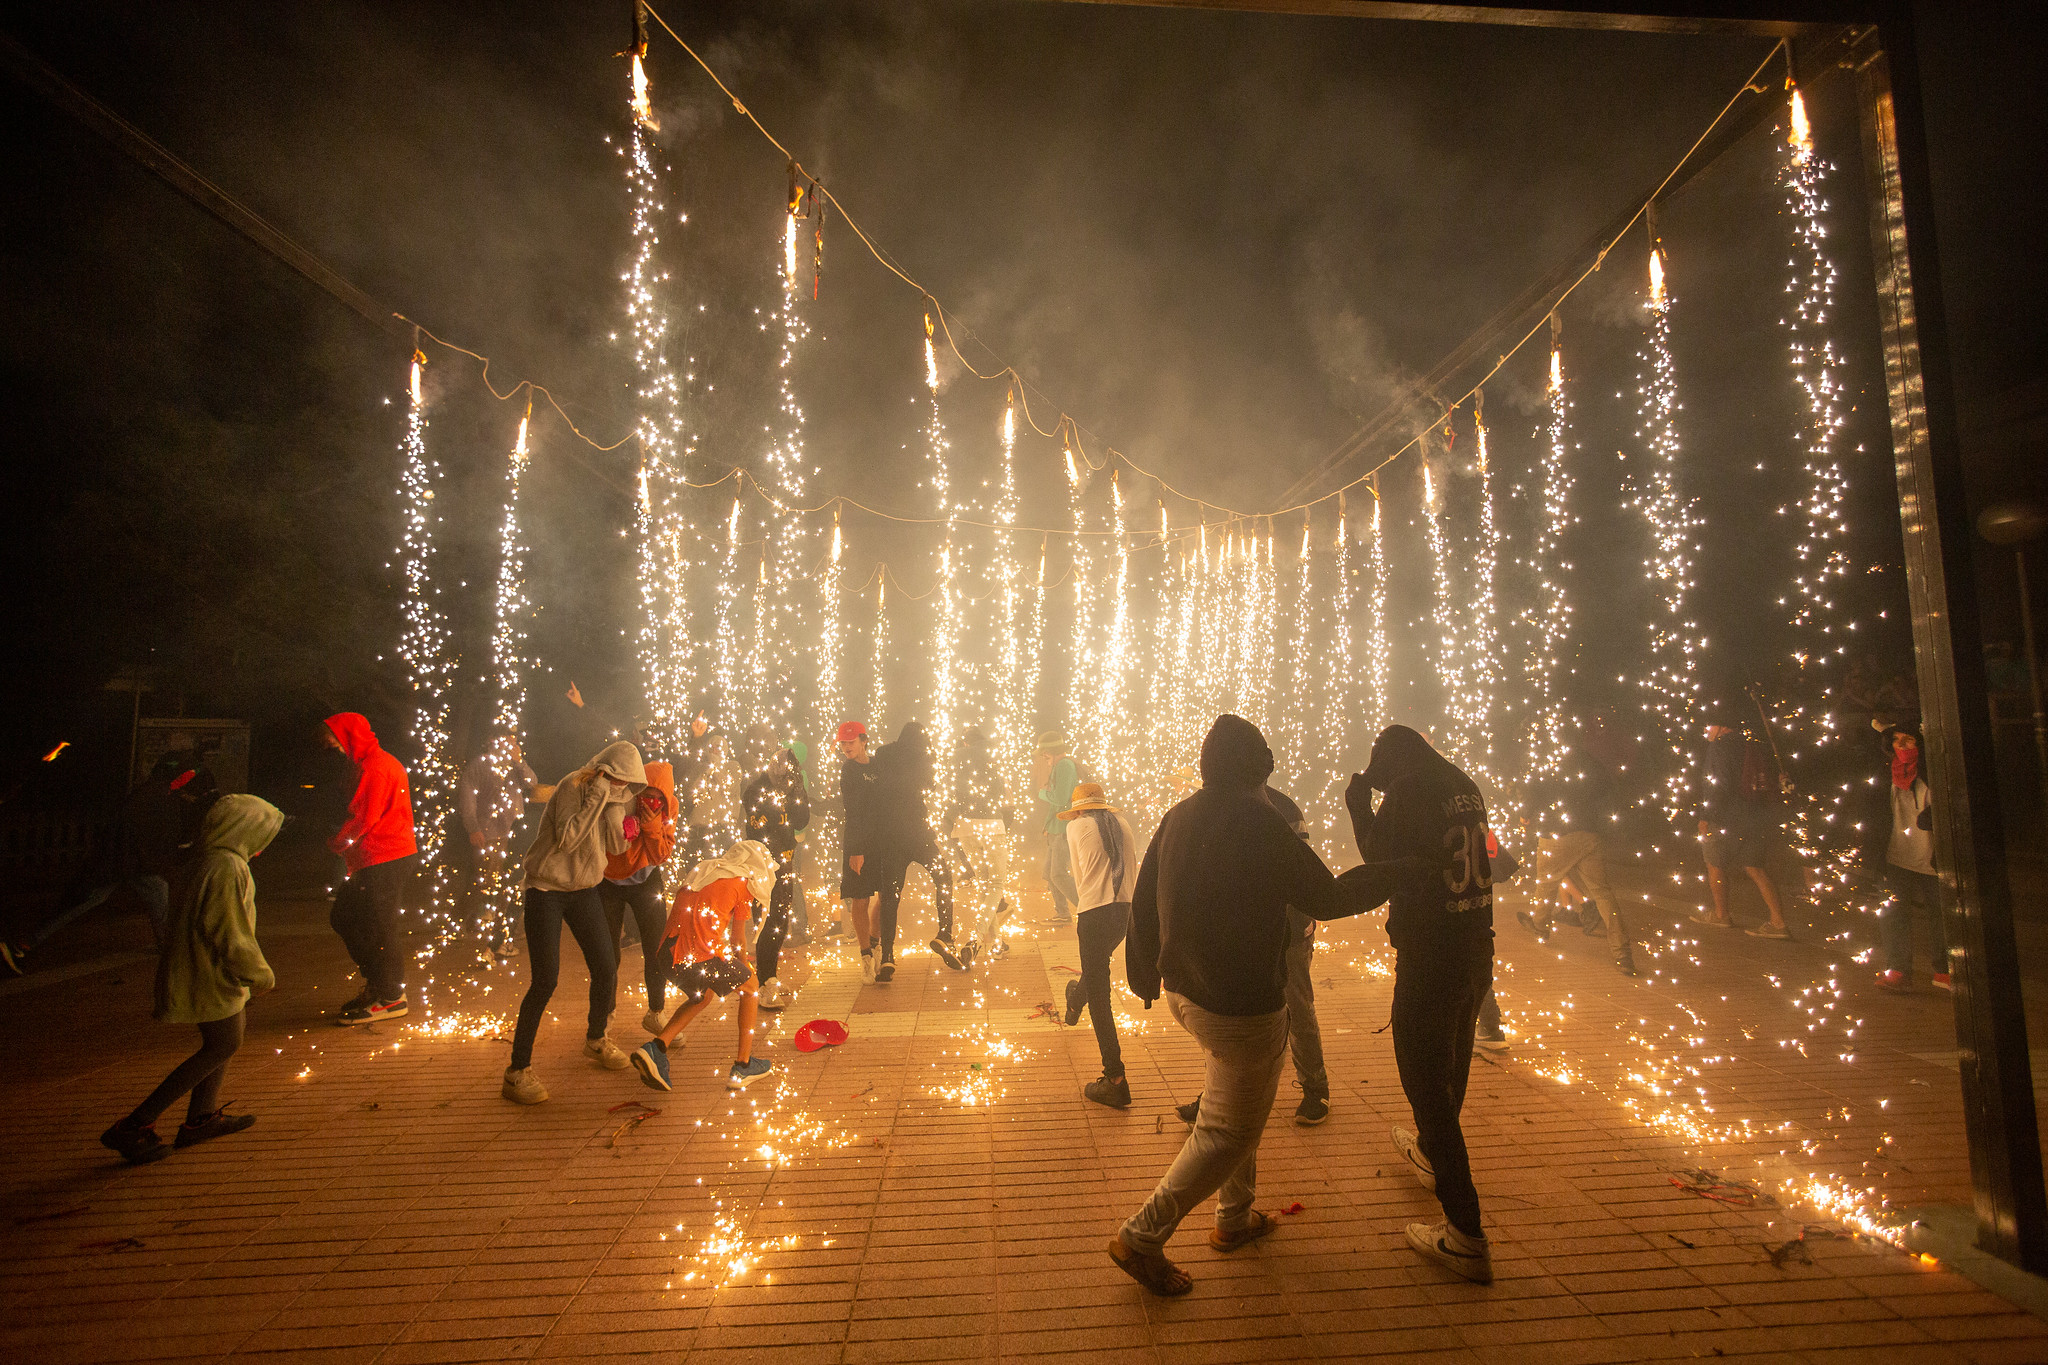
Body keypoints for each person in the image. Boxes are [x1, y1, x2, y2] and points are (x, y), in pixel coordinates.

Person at [1109, 715, 1402, 1297]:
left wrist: (1143, 977)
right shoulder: (1261, 822)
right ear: (1259, 769)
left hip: (1184, 994)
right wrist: (1401, 873)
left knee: (1240, 1104)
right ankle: (1141, 1237)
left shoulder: (1178, 816)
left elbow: (1141, 905)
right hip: (1240, 1004)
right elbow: (1330, 896)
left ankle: (1234, 1217)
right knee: (1226, 1131)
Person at [1355, 724, 1501, 1284]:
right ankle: (1431, 1154)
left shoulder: (1408, 791)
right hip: (1475, 949)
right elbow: (1488, 854)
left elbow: (1376, 860)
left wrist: (1357, 804)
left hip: (1430, 956)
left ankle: (1465, 1234)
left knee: (1423, 1084)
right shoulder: (1462, 783)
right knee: (1449, 1072)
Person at [99, 794, 281, 1164]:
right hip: (209, 971)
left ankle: (201, 1118)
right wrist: (257, 973)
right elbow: (228, 930)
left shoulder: (210, 859)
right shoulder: (227, 867)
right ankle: (135, 1125)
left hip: (204, 968)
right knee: (221, 1045)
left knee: (225, 1042)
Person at [1174, 780, 1333, 1127]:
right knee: (1229, 1020)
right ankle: (1217, 1094)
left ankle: (1315, 1088)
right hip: (1240, 935)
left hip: (1284, 930)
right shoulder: (1221, 805)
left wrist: (1301, 920)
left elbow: (1302, 869)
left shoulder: (1281, 809)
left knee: (1297, 1008)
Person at [501, 741, 646, 1104]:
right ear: (603, 771)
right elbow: (568, 839)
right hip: (545, 890)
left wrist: (619, 817)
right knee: (545, 979)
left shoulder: (611, 797)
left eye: (626, 784)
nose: (620, 788)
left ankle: (596, 1039)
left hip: (584, 890)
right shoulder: (572, 787)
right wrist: (598, 797)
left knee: (606, 964)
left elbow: (615, 851)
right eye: (615, 780)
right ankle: (517, 1071)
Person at [2, 751, 208, 975]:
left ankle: (168, 945)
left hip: (130, 863)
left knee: (153, 892)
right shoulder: (152, 796)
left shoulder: (159, 794)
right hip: (124, 863)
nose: (188, 781)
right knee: (96, 899)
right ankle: (23, 945)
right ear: (173, 773)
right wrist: (154, 859)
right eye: (186, 776)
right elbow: (134, 833)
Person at [629, 841, 779, 1093]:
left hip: (666, 954)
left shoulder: (706, 870)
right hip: (698, 956)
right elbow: (737, 940)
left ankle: (656, 1049)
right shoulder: (743, 882)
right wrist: (746, 969)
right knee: (751, 988)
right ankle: (743, 1066)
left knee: (703, 996)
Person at [322, 713, 418, 1025]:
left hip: (385, 856)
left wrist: (338, 843)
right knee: (348, 917)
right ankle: (380, 984)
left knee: (379, 925)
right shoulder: (368, 764)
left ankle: (391, 996)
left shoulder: (376, 767)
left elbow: (365, 817)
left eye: (336, 741)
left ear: (351, 736)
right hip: (376, 856)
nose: (335, 749)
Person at [1516, 759, 1637, 976]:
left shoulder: (1545, 760)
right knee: (1603, 893)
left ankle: (1540, 926)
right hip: (1589, 833)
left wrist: (1525, 815)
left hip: (1556, 834)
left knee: (1546, 884)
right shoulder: (1586, 760)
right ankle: (1622, 952)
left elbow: (1532, 793)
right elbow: (1606, 788)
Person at [1059, 782, 1140, 1107]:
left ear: (1079, 808)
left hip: (1095, 912)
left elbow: (1081, 878)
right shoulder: (1123, 824)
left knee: (1100, 996)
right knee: (1096, 971)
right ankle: (1074, 1004)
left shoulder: (1076, 827)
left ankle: (1115, 1079)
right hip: (1125, 911)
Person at [868, 721, 959, 982]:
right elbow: (928, 786)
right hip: (918, 834)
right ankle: (945, 934)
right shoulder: (924, 755)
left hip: (890, 836)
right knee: (943, 877)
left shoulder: (883, 754)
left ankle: (887, 955)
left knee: (890, 897)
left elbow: (878, 787)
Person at [1689, 711, 1791, 939]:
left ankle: (1721, 915)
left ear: (1722, 727)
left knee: (1714, 863)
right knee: (1755, 868)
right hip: (1753, 815)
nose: (1705, 730)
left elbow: (1719, 783)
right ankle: (1779, 922)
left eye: (1709, 725)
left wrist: (1706, 815)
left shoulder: (1719, 747)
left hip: (1725, 817)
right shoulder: (1750, 744)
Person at [600, 761, 676, 1033]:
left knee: (657, 951)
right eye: (646, 793)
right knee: (607, 954)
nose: (651, 800)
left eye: (658, 797)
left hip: (647, 880)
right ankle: (603, 1020)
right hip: (608, 880)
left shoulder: (669, 808)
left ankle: (656, 1012)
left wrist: (652, 826)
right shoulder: (620, 800)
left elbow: (661, 855)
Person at [1872, 723, 1945, 992]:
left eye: (1909, 740)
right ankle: (1898, 969)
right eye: (1896, 740)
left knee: (1941, 915)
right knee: (1892, 914)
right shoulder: (1883, 776)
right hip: (1895, 856)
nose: (1901, 746)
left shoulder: (1933, 773)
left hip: (1932, 858)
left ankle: (1945, 970)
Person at [457, 733, 538, 960]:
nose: (511, 745)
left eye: (513, 742)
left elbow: (532, 782)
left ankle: (503, 936)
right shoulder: (480, 765)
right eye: (507, 741)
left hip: (515, 833)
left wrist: (518, 761)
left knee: (512, 883)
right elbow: (467, 796)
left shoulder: (514, 765)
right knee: (489, 884)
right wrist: (473, 827)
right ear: (493, 741)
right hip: (489, 834)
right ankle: (484, 935)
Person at [743, 746, 811, 1010]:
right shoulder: (755, 790)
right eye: (783, 776)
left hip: (785, 863)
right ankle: (762, 984)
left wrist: (796, 793)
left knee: (781, 922)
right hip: (761, 866)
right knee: (765, 923)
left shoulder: (793, 788)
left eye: (789, 777)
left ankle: (770, 976)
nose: (785, 781)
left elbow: (801, 820)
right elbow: (758, 827)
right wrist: (778, 800)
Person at [948, 726, 1015, 963]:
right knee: (996, 883)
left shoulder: (956, 756)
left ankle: (996, 944)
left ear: (965, 742)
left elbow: (951, 789)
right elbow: (1002, 791)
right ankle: (976, 939)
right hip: (991, 823)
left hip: (965, 825)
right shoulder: (994, 753)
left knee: (984, 883)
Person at [833, 721, 882, 973]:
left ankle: (875, 944)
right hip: (859, 840)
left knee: (886, 895)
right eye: (842, 743)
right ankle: (865, 956)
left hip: (882, 841)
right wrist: (856, 849)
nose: (846, 747)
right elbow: (852, 811)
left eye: (850, 742)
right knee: (860, 898)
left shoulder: (878, 765)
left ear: (864, 740)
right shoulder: (848, 770)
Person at [1033, 729, 1081, 924]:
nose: (1045, 758)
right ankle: (1062, 914)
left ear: (1050, 751)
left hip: (1063, 829)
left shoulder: (1065, 765)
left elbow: (1060, 799)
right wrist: (1047, 826)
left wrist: (1042, 793)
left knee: (1058, 874)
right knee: (1050, 875)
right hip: (1055, 828)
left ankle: (1087, 908)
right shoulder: (1060, 766)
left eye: (1044, 754)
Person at [685, 736, 742, 867]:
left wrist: (714, 765)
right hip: (698, 829)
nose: (714, 751)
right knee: (695, 870)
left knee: (719, 870)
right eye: (711, 747)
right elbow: (691, 793)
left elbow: (728, 786)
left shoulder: (733, 766)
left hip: (722, 828)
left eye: (718, 747)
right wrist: (705, 771)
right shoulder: (701, 768)